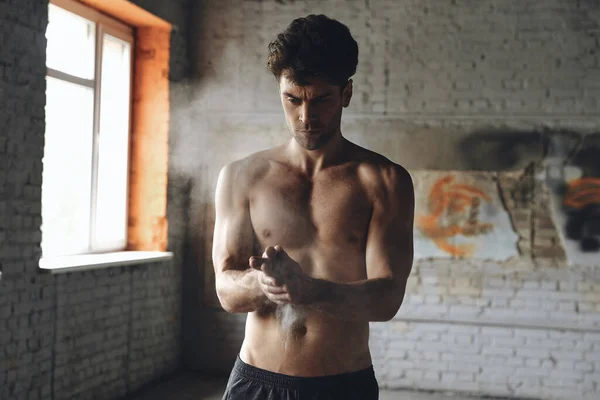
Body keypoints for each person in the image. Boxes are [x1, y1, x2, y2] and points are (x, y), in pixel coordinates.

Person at [212, 14, 414, 400]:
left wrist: (307, 290)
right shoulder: (242, 177)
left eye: (321, 99)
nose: (306, 117)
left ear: (346, 94)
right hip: (257, 381)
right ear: (280, 92)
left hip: (342, 385)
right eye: (293, 99)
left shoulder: (384, 181)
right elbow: (226, 290)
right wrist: (266, 284)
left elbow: (387, 298)